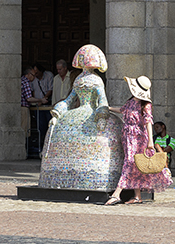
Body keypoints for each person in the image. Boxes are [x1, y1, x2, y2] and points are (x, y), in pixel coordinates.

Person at [39, 44, 123, 190]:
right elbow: (71, 98)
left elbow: (100, 99)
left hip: (87, 111)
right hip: (86, 111)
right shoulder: (85, 80)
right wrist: (58, 112)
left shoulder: (88, 80)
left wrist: (102, 114)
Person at [105, 76, 172, 205]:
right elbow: (122, 110)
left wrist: (150, 142)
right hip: (128, 136)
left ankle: (116, 194)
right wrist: (108, 108)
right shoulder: (130, 101)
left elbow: (148, 122)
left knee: (130, 162)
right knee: (135, 163)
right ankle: (137, 196)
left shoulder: (146, 105)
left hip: (138, 137)